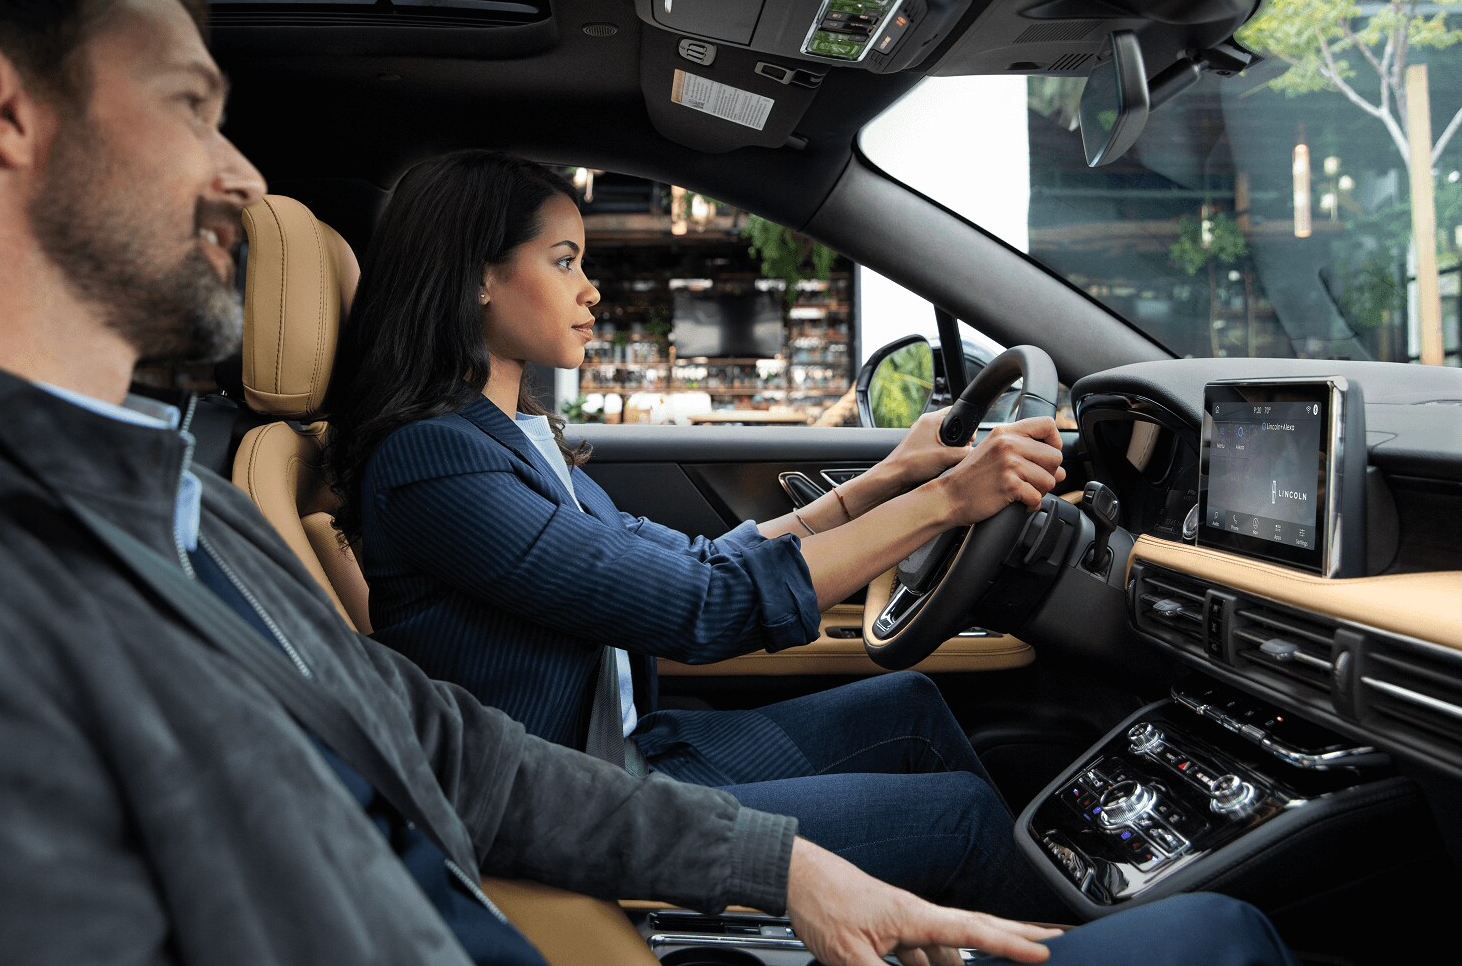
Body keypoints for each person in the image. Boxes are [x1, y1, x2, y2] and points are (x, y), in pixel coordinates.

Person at [0, 0, 1298, 966]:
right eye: (189, 105)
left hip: (556, 886)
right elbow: (674, 614)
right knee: (1221, 928)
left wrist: (787, 868)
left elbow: (456, 756)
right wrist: (943, 504)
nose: (242, 177)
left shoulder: (180, 500)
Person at [329, 150, 1067, 916]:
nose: (591, 289)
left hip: (627, 752)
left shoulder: (511, 437)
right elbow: (703, 606)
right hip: (580, 803)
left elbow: (701, 561)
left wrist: (890, 476)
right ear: (477, 275)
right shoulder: (433, 458)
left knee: (910, 702)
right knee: (963, 818)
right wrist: (947, 500)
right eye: (564, 261)